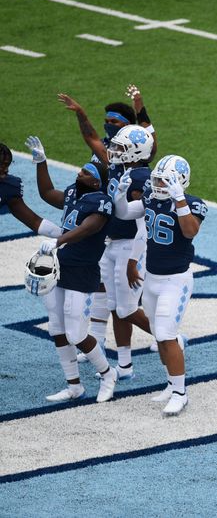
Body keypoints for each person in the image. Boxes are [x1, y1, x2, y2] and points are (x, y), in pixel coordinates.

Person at [58, 85, 160, 353]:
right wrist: (80, 113)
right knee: (104, 294)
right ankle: (102, 343)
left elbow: (150, 144)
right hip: (108, 234)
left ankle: (169, 337)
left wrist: (140, 109)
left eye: (114, 123)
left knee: (124, 306)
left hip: (130, 239)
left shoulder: (138, 172)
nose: (108, 130)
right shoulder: (114, 160)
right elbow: (92, 137)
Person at [25, 136, 118, 402]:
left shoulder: (102, 201)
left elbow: (91, 226)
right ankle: (74, 385)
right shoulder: (73, 193)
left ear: (96, 182)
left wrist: (59, 240)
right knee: (56, 327)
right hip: (61, 267)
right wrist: (41, 162)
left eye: (86, 172)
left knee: (76, 332)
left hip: (83, 271)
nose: (80, 171)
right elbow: (46, 193)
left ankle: (107, 373)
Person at [113, 155, 207, 416]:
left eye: (164, 180)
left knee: (166, 333)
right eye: (157, 178)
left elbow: (190, 231)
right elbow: (124, 213)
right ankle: (171, 384)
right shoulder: (151, 198)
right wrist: (120, 196)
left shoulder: (193, 203)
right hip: (152, 279)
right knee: (160, 334)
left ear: (180, 182)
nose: (158, 184)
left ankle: (181, 393)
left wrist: (179, 200)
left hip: (176, 280)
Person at [97, 125, 155, 379]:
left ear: (135, 151)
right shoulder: (118, 168)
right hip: (111, 244)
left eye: (120, 147)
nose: (114, 150)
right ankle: (124, 365)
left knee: (128, 309)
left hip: (130, 246)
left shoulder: (142, 178)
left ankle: (171, 336)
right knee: (114, 306)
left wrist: (133, 260)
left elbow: (142, 223)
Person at [0, 142, 62, 238]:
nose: (5, 170)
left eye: (7, 165)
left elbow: (35, 222)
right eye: (2, 165)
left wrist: (67, 237)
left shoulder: (8, 187)